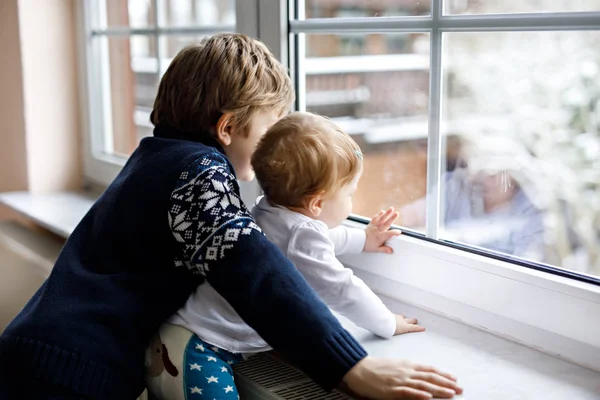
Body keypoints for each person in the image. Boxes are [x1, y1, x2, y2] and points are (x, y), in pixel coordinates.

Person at [0, 34, 462, 400]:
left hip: (44, 352)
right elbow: (250, 264)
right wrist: (350, 367)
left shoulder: (154, 157)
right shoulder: (197, 171)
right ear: (227, 128)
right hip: (70, 373)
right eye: (269, 128)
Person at [146, 112, 427, 399]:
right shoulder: (300, 234)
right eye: (350, 193)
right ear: (317, 203)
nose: (352, 200)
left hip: (187, 336)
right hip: (199, 350)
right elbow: (341, 288)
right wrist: (387, 323)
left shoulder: (269, 211)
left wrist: (363, 239)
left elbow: (318, 240)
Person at [401, 135, 545, 261]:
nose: (485, 182)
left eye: (493, 175)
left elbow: (529, 263)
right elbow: (410, 215)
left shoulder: (531, 213)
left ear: (513, 178)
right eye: (480, 174)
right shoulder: (456, 190)